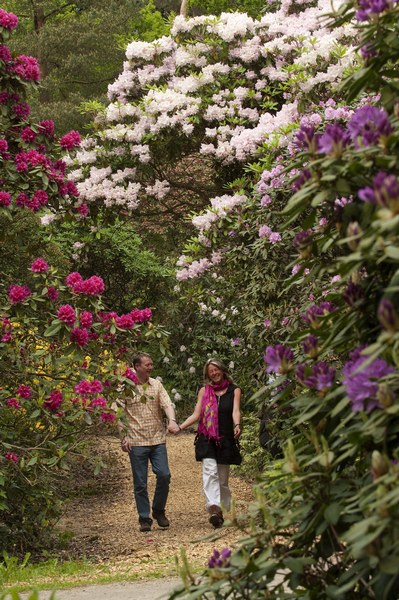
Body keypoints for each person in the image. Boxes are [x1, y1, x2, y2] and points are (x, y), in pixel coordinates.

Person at [116, 352, 180, 532]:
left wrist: (172, 421)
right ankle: (144, 518)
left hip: (157, 439)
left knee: (164, 475)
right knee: (140, 482)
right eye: (147, 365)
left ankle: (158, 510)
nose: (151, 367)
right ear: (137, 366)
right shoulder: (125, 387)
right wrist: (123, 437)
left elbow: (167, 404)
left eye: (151, 364)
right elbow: (118, 413)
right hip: (136, 441)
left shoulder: (156, 385)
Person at [177, 358, 242, 528]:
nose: (214, 373)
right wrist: (180, 426)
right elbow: (197, 414)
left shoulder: (234, 390)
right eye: (210, 371)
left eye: (216, 369)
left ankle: (221, 510)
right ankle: (214, 508)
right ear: (208, 375)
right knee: (209, 472)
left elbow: (236, 410)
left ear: (222, 369)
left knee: (222, 480)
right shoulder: (204, 391)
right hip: (207, 437)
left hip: (226, 437)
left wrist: (237, 425)